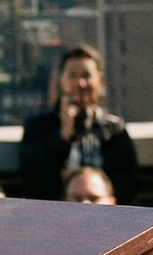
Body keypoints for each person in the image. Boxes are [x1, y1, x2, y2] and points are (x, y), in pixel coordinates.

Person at [19, 45, 139, 203]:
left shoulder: (114, 130)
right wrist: (63, 137)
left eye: (86, 75)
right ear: (61, 81)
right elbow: (32, 181)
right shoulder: (38, 125)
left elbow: (128, 185)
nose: (80, 83)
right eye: (72, 76)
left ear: (100, 81)